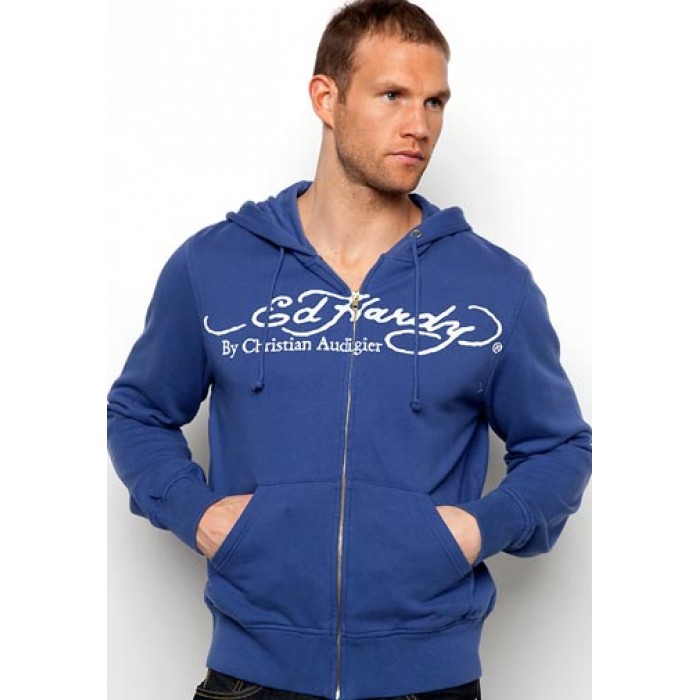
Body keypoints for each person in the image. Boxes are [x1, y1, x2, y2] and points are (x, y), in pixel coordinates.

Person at [106, 1, 592, 698]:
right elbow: (138, 411)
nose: (419, 125)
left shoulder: (493, 287)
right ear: (325, 98)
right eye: (392, 95)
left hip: (429, 680)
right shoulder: (214, 267)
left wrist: (477, 529)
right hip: (253, 677)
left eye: (434, 102)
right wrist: (199, 514)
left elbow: (560, 447)